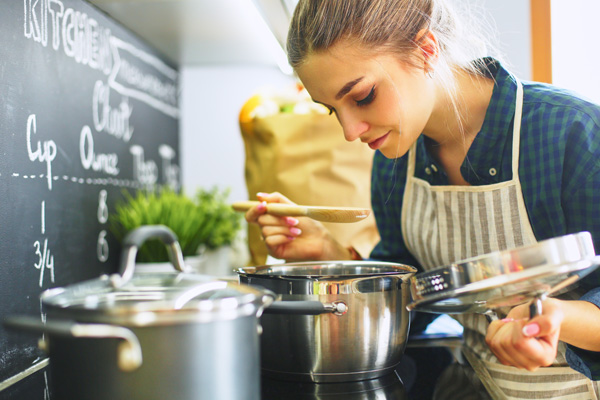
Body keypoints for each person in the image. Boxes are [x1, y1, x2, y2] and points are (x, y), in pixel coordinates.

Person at [244, 0, 600, 398]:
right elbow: (416, 303)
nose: (349, 131)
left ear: (425, 50)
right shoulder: (397, 160)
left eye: (362, 96)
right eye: (332, 110)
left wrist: (555, 317)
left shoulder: (572, 133)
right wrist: (332, 254)